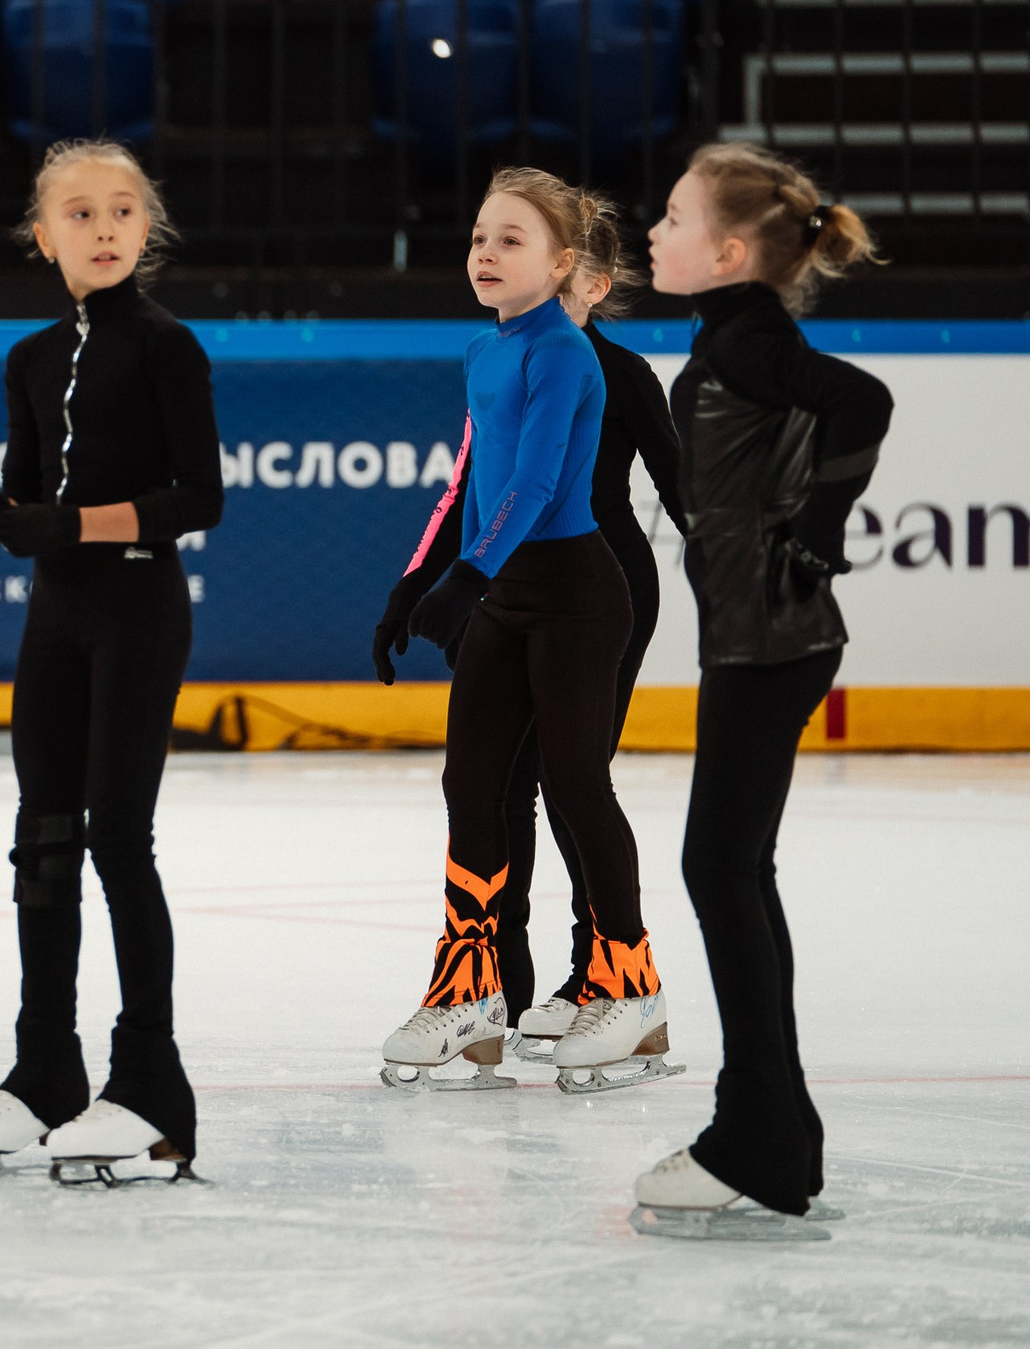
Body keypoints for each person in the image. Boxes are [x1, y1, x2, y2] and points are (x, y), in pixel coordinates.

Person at [0, 140, 223, 1186]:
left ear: (146, 231)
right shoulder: (28, 359)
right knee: (40, 841)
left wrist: (70, 523)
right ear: (42, 236)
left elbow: (200, 498)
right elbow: (25, 507)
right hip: (55, 618)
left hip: (139, 606)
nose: (103, 229)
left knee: (117, 839)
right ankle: (45, 1066)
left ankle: (150, 1087)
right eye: (81, 214)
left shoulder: (168, 349)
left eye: (122, 212)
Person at [632, 142, 889, 1241]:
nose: (655, 230)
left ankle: (762, 1143)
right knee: (731, 869)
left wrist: (819, 529)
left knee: (719, 868)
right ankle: (775, 1129)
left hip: (771, 639)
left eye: (675, 217)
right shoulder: (731, 337)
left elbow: (861, 401)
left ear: (729, 251)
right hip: (760, 635)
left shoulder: (748, 338)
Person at [378, 168, 668, 1095]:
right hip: (504, 597)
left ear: (564, 264)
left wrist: (468, 574)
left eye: (510, 240)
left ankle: (629, 983)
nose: (486, 254)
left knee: (575, 780)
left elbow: (538, 485)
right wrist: (422, 581)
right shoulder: (481, 352)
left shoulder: (566, 355)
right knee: (472, 784)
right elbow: (475, 478)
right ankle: (474, 990)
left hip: (580, 593)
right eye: (477, 239)